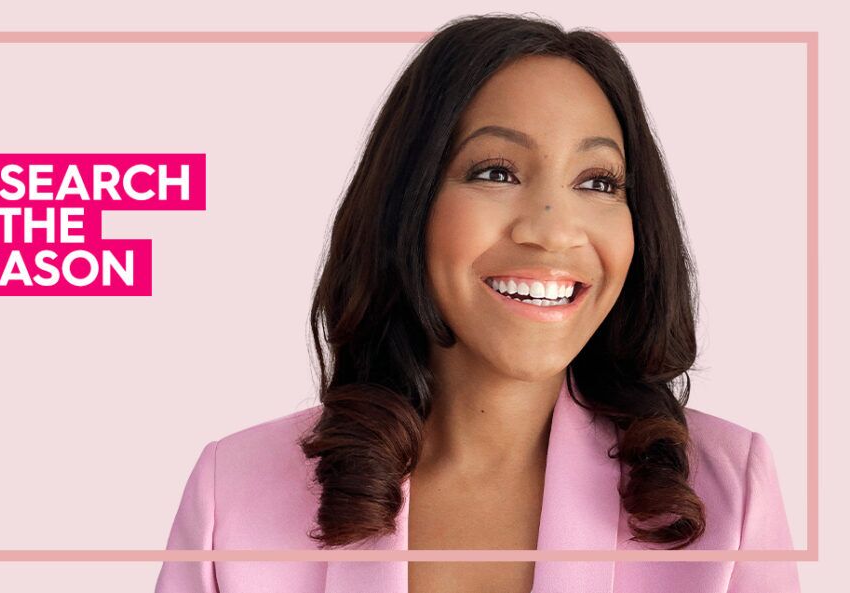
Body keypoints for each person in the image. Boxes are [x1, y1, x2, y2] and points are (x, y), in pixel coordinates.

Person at [154, 13, 800, 593]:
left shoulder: (726, 497)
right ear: (408, 204)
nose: (551, 229)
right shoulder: (232, 495)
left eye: (598, 181)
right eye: (496, 172)